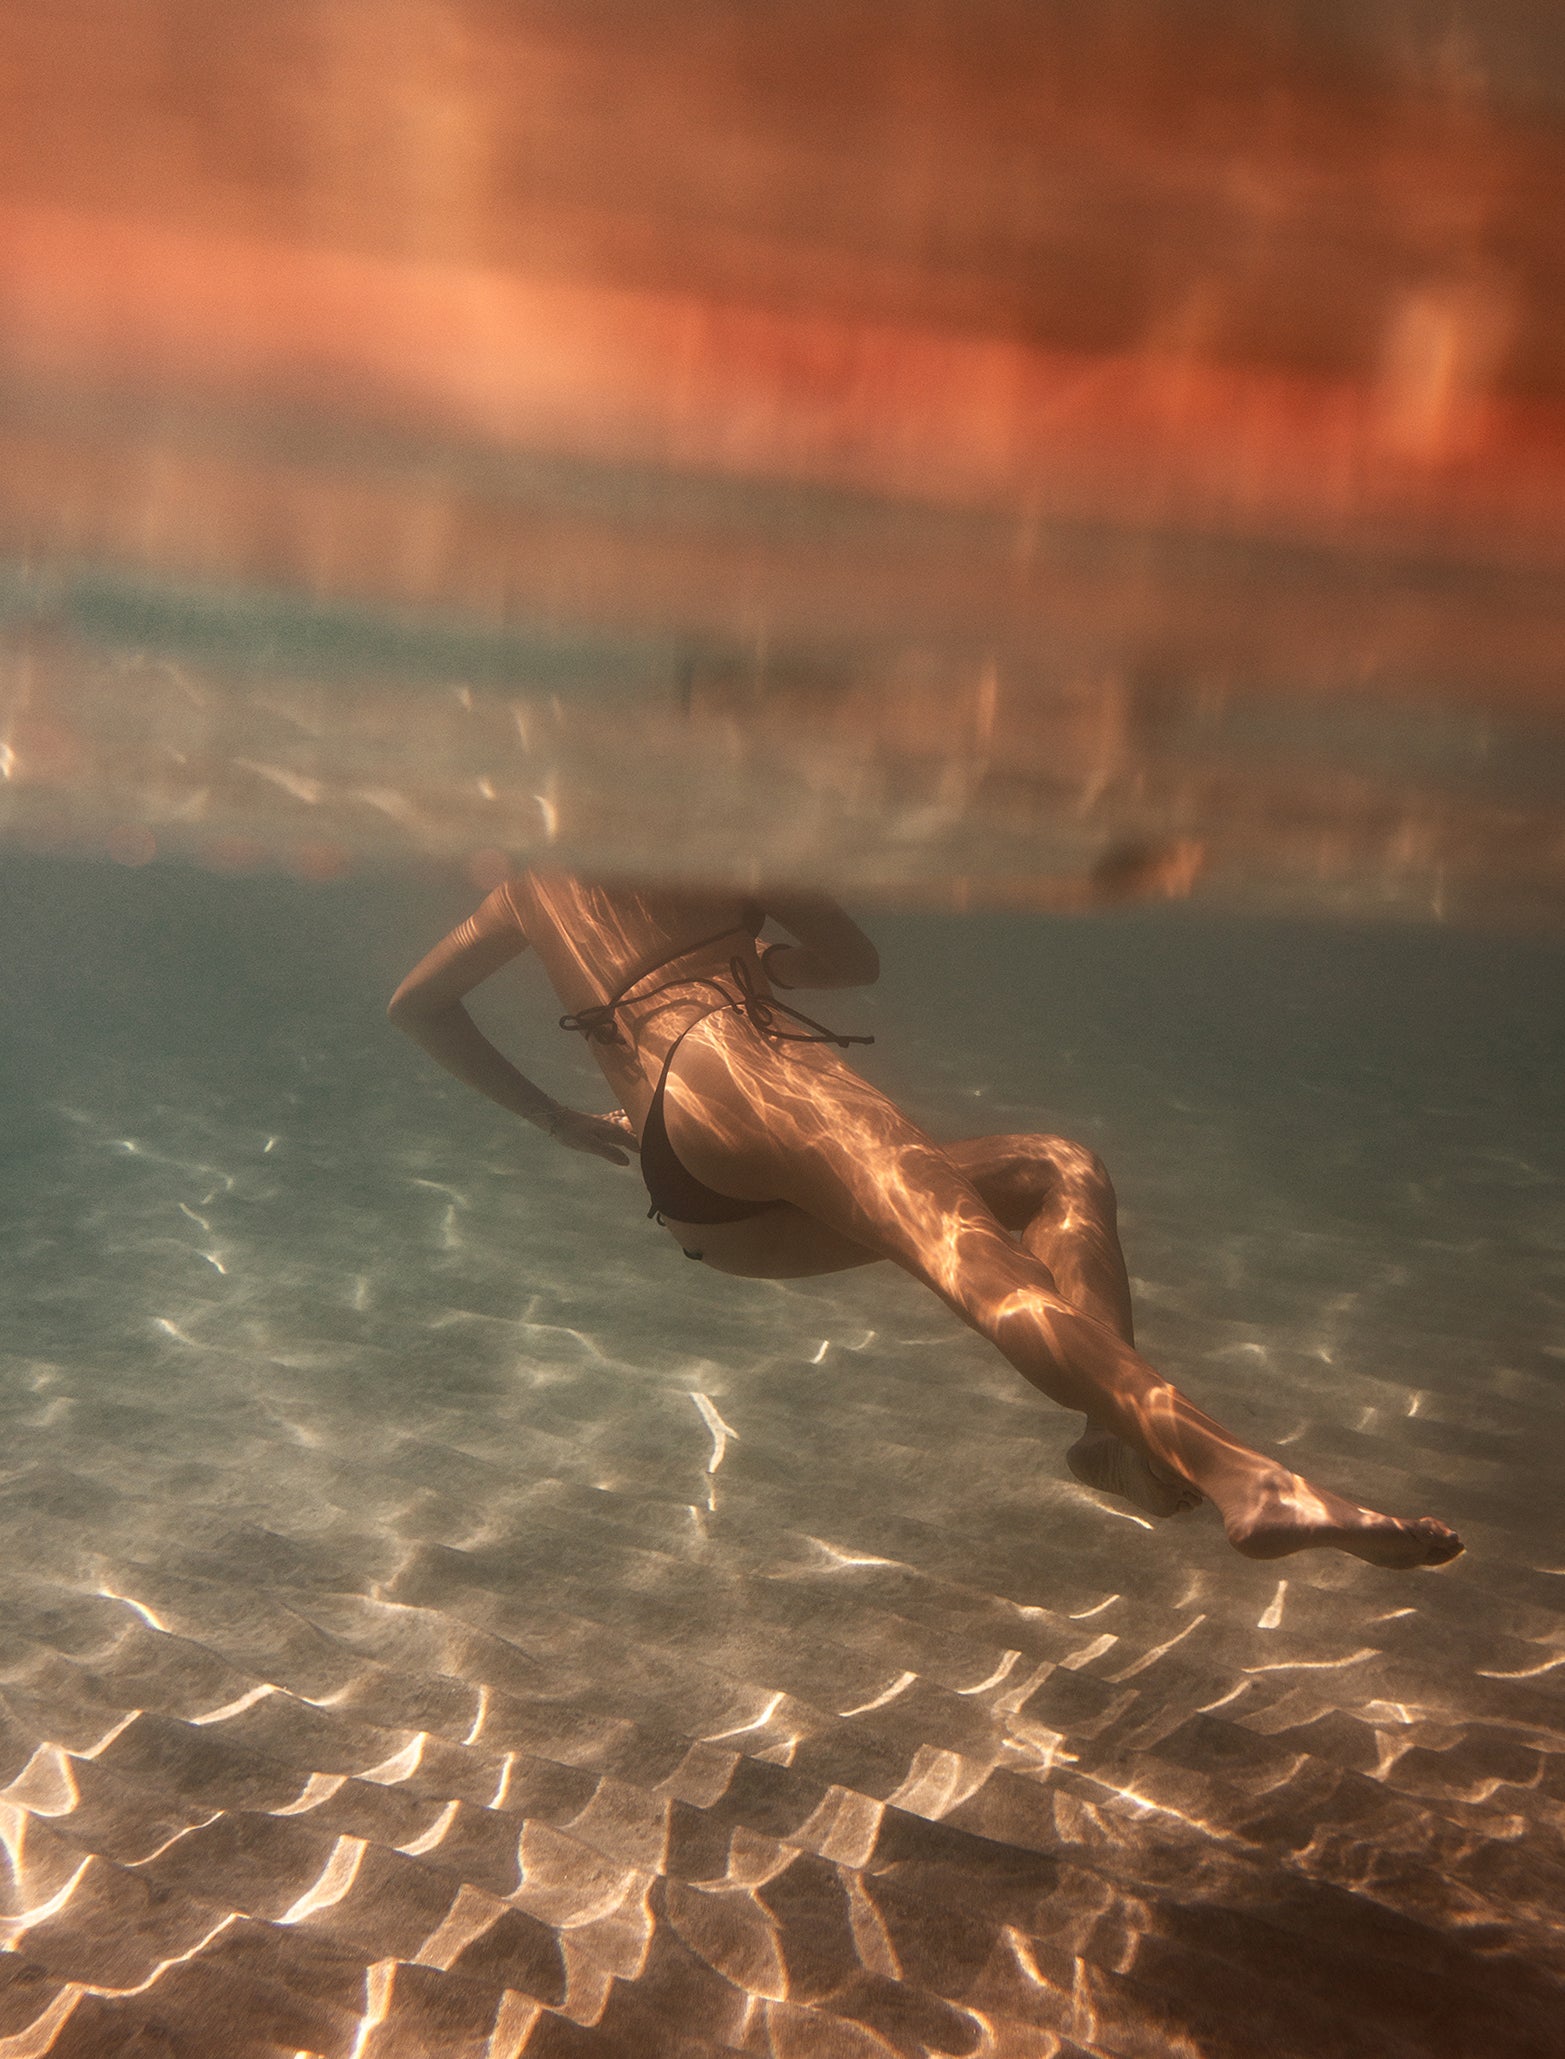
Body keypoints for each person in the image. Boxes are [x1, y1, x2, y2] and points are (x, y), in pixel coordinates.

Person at [389, 866, 1461, 1569]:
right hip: (742, 1065)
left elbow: (417, 1005)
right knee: (978, 1263)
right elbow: (852, 962)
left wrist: (550, 1119)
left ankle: (1121, 1441)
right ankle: (1244, 1477)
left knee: (1054, 1169)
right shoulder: (722, 831)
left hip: (706, 1211)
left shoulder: (529, 878)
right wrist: (763, 959)